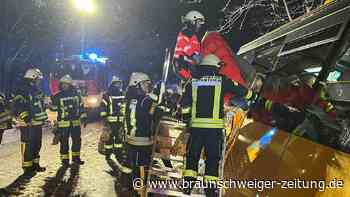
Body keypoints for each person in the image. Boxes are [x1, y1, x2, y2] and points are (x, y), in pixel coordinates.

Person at [181, 54, 255, 196]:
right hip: (213, 130)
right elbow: (242, 91)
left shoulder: (192, 82)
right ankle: (210, 191)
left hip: (196, 129)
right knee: (213, 159)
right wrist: (253, 95)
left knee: (192, 157)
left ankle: (187, 186)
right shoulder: (222, 80)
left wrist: (187, 121)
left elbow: (185, 105)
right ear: (215, 66)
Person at [125, 72, 158, 195]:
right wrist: (156, 103)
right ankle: (140, 190)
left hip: (132, 138)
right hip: (142, 139)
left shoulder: (130, 99)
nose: (147, 86)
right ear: (137, 85)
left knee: (135, 164)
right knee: (142, 166)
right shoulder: (146, 100)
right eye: (144, 83)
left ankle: (135, 186)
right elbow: (152, 115)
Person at [13, 68, 48, 177]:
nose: (39, 81)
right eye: (38, 79)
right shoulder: (22, 90)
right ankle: (27, 167)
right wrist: (27, 118)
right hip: (27, 123)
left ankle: (35, 164)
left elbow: (40, 106)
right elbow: (19, 106)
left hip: (37, 122)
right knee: (28, 144)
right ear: (33, 79)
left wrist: (43, 117)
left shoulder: (37, 90)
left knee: (37, 144)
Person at [50, 74, 87, 166]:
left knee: (77, 141)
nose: (64, 86)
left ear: (70, 85)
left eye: (66, 84)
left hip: (75, 123)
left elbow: (81, 106)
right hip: (63, 124)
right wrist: (51, 104)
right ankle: (65, 160)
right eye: (63, 84)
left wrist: (84, 117)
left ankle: (76, 158)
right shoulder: (57, 96)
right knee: (64, 143)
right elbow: (54, 108)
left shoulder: (76, 95)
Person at [173, 10, 205, 80]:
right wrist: (193, 55)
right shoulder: (186, 31)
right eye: (199, 22)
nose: (200, 25)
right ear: (193, 22)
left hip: (189, 64)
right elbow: (183, 44)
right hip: (182, 64)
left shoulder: (193, 35)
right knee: (193, 81)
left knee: (196, 81)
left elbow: (197, 49)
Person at [100, 76, 125, 160]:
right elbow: (103, 107)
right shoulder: (107, 95)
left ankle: (116, 153)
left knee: (118, 138)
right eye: (117, 83)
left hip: (119, 120)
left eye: (119, 83)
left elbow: (124, 107)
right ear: (113, 84)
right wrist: (104, 118)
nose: (119, 85)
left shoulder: (122, 94)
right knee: (110, 138)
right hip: (111, 121)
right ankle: (109, 154)